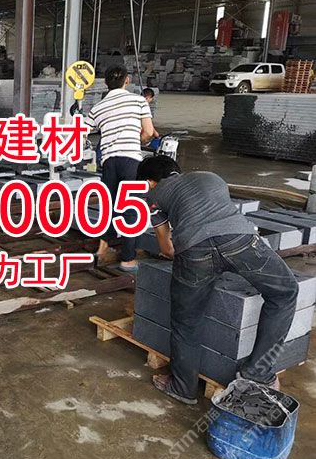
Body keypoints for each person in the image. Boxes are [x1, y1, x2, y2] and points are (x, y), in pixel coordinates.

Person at [138, 156, 298, 404]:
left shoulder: (153, 196)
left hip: (194, 251)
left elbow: (167, 248)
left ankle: (183, 388)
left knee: (186, 321)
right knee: (285, 293)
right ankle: (257, 372)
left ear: (150, 181)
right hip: (240, 240)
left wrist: (188, 257)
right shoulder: (211, 177)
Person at [85, 64, 156, 272]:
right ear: (127, 80)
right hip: (130, 161)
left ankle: (102, 249)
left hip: (109, 161)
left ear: (106, 83)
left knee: (109, 206)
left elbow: (81, 133)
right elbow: (149, 132)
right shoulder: (139, 101)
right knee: (131, 208)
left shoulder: (98, 107)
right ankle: (127, 259)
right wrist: (136, 140)